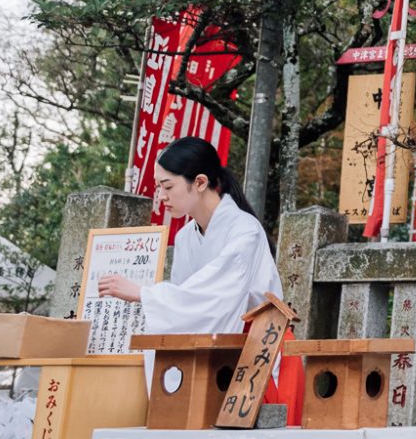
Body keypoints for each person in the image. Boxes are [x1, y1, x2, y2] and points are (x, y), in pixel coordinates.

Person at [95, 137, 282, 333]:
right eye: (158, 187)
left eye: (168, 186)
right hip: (205, 348)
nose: (160, 196)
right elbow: (184, 305)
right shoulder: (185, 237)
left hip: (255, 345)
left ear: (200, 182)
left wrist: (143, 293)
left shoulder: (245, 230)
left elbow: (212, 298)